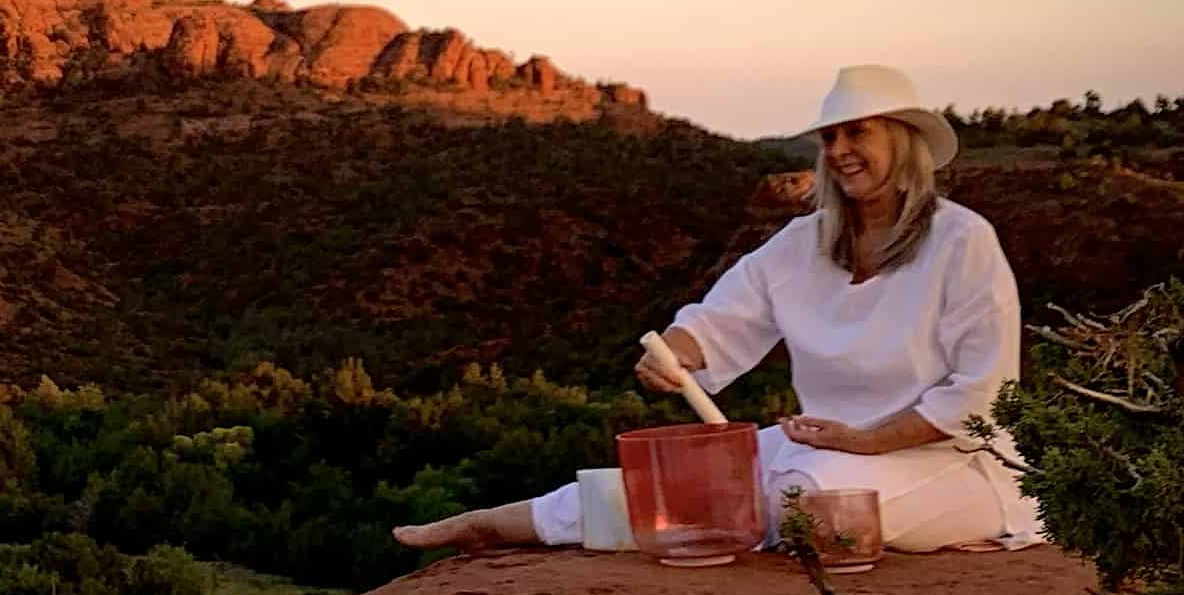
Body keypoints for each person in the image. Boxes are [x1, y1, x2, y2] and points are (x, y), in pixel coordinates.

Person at [394, 65, 1044, 555]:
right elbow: (720, 321)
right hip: (816, 450)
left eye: (858, 132)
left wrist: (867, 440)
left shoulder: (963, 240)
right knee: (667, 482)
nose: (840, 150)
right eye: (829, 137)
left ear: (904, 142)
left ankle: (972, 531)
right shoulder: (801, 245)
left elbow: (982, 395)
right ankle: (480, 526)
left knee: (804, 508)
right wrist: (676, 353)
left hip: (951, 461)